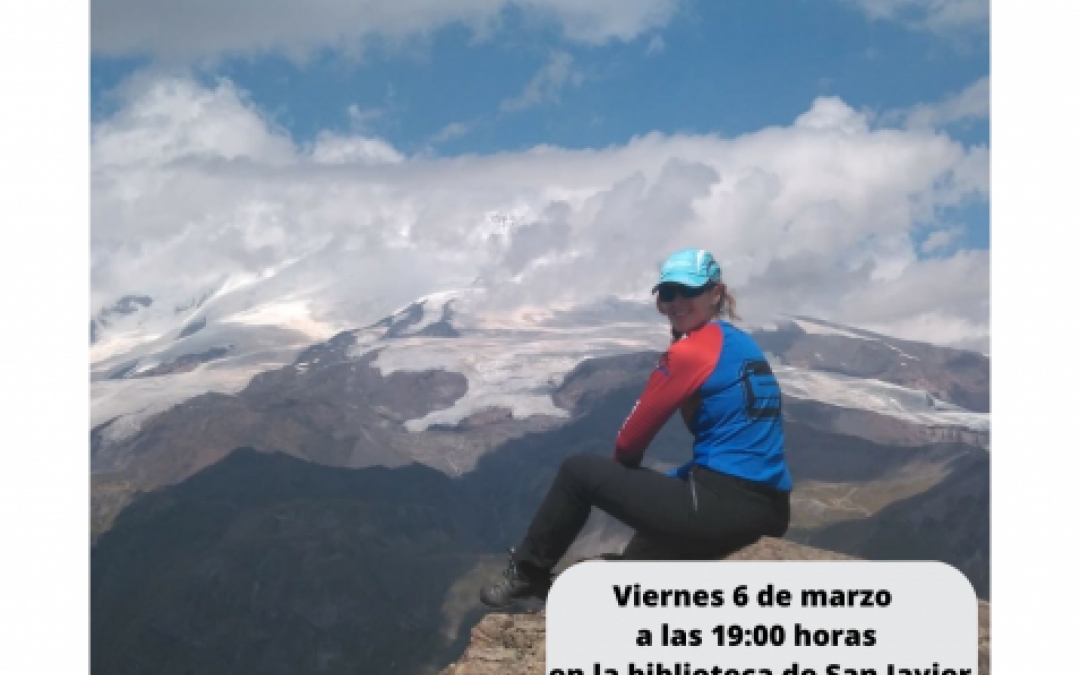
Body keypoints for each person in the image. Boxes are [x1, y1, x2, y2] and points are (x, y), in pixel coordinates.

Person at [479, 248, 793, 608]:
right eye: (668, 293)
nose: (677, 302)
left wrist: (623, 481)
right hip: (771, 508)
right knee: (661, 508)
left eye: (689, 291)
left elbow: (629, 443)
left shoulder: (690, 353)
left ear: (715, 293)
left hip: (722, 507)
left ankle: (527, 573)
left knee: (578, 472)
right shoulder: (741, 344)